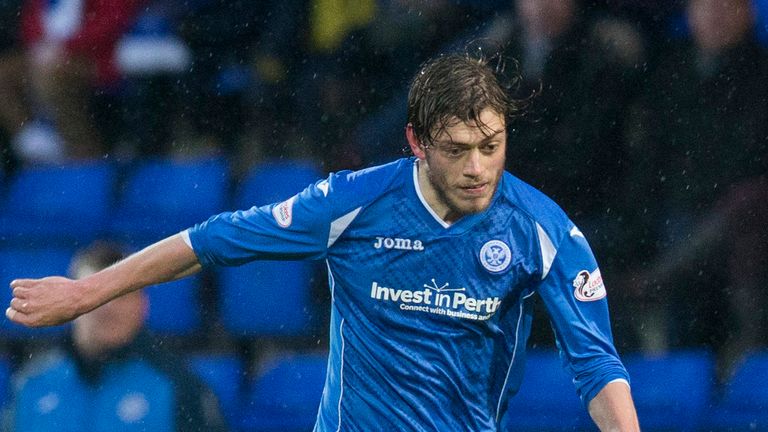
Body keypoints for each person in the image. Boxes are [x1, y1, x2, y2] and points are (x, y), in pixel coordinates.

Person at [5, 53, 639, 431]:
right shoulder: (354, 203)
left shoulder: (542, 229)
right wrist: (87, 291)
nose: (478, 167)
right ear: (416, 143)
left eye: (491, 147)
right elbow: (214, 239)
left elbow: (596, 364)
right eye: (457, 150)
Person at [5, 241, 227, 431]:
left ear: (143, 304)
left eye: (120, 295)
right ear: (66, 306)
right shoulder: (31, 384)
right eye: (91, 297)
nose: (108, 308)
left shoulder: (178, 386)